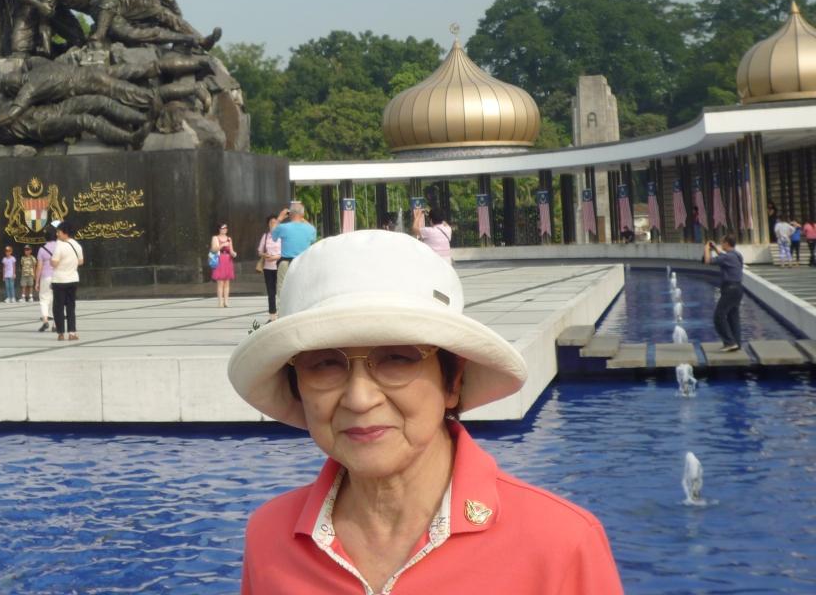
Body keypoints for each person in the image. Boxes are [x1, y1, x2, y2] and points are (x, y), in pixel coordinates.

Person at [228, 231, 623, 594]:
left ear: (452, 381)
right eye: (324, 364)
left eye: (398, 359)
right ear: (297, 386)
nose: (360, 399)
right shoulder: (270, 537)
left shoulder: (559, 544)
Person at [704, 234, 744, 352]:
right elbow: (723, 256)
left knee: (719, 316)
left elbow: (708, 261)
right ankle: (736, 343)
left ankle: (729, 342)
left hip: (730, 289)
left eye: (722, 242)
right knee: (733, 317)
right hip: (738, 288)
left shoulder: (727, 257)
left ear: (727, 243)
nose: (721, 244)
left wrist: (706, 249)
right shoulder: (737, 255)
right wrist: (715, 248)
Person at [50, 221, 84, 341]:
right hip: (73, 279)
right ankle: (72, 333)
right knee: (70, 307)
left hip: (59, 280)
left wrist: (51, 261)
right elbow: (81, 262)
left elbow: (54, 263)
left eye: (58, 232)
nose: (57, 234)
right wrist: (71, 264)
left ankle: (60, 333)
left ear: (65, 233)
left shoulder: (59, 246)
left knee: (58, 307)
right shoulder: (77, 245)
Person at [272, 203, 317, 288]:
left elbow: (273, 236)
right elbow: (313, 240)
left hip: (286, 264)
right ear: (303, 214)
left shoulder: (283, 227)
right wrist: (302, 218)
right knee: (302, 288)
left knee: (282, 289)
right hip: (303, 263)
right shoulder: (311, 229)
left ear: (290, 214)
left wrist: (279, 219)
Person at [257, 216, 283, 321]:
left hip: (280, 266)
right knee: (271, 292)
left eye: (275, 222)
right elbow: (260, 251)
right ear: (268, 224)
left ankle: (282, 313)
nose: (273, 224)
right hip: (268, 268)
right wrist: (264, 255)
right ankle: (272, 316)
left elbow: (285, 251)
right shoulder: (266, 236)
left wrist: (276, 257)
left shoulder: (281, 236)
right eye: (271, 222)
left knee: (281, 291)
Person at [210, 222, 238, 308]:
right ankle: (220, 302)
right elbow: (213, 250)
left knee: (227, 282)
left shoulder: (229, 238)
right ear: (219, 229)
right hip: (220, 259)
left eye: (226, 228)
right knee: (220, 282)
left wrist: (233, 253)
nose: (224, 230)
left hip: (228, 260)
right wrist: (222, 245)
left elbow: (231, 250)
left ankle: (226, 301)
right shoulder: (215, 238)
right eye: (223, 228)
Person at [36, 233, 57, 332]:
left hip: (45, 277)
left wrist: (37, 281)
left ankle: (45, 320)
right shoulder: (59, 247)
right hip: (58, 277)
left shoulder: (42, 249)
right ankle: (55, 324)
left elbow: (39, 267)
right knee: (56, 300)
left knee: (44, 299)